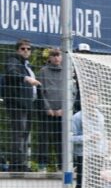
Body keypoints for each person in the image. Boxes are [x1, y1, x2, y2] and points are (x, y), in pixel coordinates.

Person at [2, 39, 43, 171]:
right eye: (23, 48)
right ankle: (16, 164)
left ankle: (21, 162)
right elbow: (11, 73)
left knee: (25, 134)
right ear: (17, 50)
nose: (26, 51)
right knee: (19, 133)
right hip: (18, 103)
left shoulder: (27, 65)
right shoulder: (13, 60)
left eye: (28, 49)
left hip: (28, 104)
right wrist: (25, 78)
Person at [36, 48, 72, 171]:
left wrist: (64, 109)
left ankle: (62, 166)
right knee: (44, 138)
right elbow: (40, 92)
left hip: (62, 112)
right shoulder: (43, 71)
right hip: (47, 112)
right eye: (54, 55)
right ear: (49, 58)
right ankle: (42, 166)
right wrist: (48, 108)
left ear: (62, 57)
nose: (56, 58)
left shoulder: (67, 72)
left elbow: (71, 92)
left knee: (61, 139)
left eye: (58, 55)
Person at [70, 94, 110, 188]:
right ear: (85, 102)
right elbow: (71, 138)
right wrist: (88, 137)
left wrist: (105, 150)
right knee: (82, 182)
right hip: (83, 155)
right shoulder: (77, 117)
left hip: (98, 154)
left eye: (95, 101)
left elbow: (103, 135)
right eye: (90, 101)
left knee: (96, 182)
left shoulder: (100, 116)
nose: (93, 103)